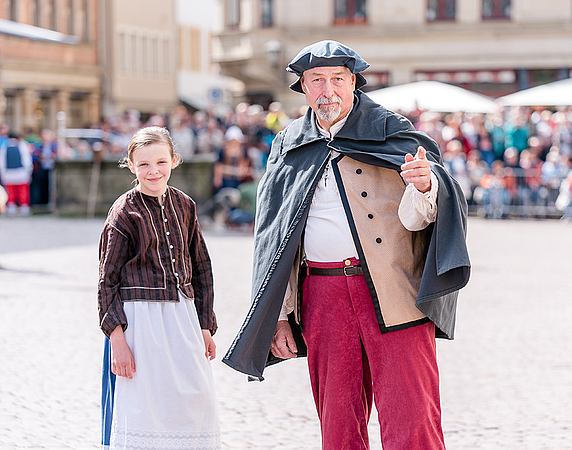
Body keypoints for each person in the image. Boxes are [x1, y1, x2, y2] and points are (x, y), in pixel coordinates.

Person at [222, 41, 470, 449]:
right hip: (322, 294)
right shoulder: (288, 145)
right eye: (317, 80)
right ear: (302, 87)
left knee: (412, 420)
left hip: (395, 293)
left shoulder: (392, 132)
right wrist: (281, 315)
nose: (328, 90)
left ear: (354, 82)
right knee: (337, 423)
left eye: (338, 79)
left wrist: (425, 185)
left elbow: (416, 219)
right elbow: (274, 237)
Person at [98, 126, 221, 450]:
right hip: (141, 325)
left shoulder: (185, 205)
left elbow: (201, 267)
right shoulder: (124, 213)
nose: (153, 171)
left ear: (174, 160)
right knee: (145, 407)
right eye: (143, 164)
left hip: (182, 320)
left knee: (196, 401)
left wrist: (205, 325)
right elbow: (107, 281)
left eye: (161, 162)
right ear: (130, 165)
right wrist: (117, 340)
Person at [0, 131, 33, 216]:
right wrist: (29, 171)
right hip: (21, 172)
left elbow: (2, 162)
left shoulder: (4, 146)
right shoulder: (22, 145)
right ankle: (24, 208)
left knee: (10, 192)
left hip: (8, 173)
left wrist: (3, 173)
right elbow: (26, 160)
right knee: (23, 191)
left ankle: (12, 208)